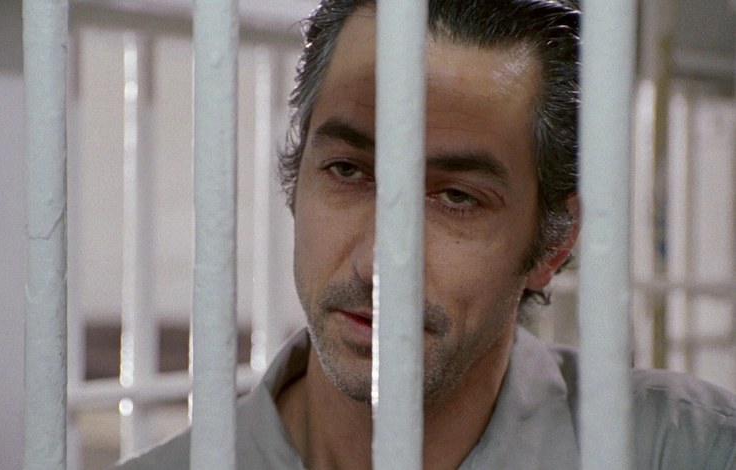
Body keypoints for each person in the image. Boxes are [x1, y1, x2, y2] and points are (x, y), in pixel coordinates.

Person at [116, 0, 736, 468]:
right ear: (298, 176)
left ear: (554, 243)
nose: (377, 263)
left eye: (458, 198)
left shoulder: (687, 449)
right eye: (347, 170)